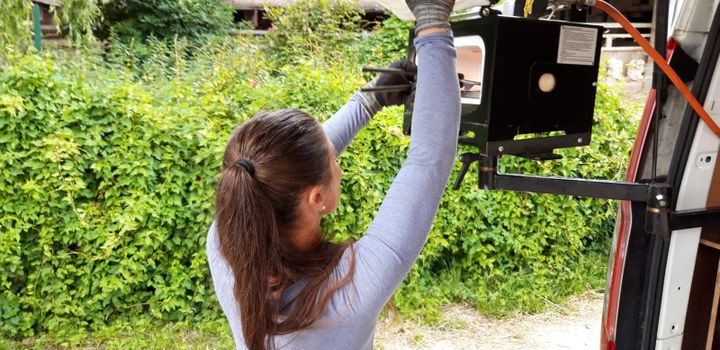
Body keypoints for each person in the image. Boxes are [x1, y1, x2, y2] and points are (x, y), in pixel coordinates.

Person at [206, 1, 461, 349]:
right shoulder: (349, 294)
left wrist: (369, 101)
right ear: (315, 198)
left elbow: (285, 165)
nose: (337, 166)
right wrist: (432, 24)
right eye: (332, 162)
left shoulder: (224, 248)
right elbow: (429, 160)